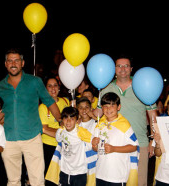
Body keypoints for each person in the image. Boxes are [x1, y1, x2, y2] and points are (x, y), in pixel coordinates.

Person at [0, 48, 62, 186]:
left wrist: (61, 120)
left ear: (22, 63)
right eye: (10, 60)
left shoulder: (35, 81)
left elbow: (49, 101)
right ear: (5, 64)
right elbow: (0, 111)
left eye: (16, 60)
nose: (13, 63)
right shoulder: (0, 86)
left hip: (32, 139)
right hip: (8, 139)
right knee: (13, 181)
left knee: (37, 181)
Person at [94, 54, 158, 186]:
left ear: (131, 69)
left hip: (139, 143)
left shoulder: (142, 84)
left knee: (139, 182)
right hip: (113, 145)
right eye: (119, 66)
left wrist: (153, 140)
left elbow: (153, 115)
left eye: (126, 66)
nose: (122, 69)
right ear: (114, 69)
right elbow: (98, 114)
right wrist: (82, 111)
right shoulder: (106, 88)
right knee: (115, 182)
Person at [92, 92, 139, 185]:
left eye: (112, 105)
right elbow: (96, 149)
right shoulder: (99, 124)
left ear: (119, 107)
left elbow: (134, 146)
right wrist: (94, 144)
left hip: (117, 176)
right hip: (100, 173)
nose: (108, 109)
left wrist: (114, 149)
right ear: (101, 107)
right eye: (105, 106)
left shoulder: (124, 125)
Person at [38, 75, 70, 185]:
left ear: (59, 87)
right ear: (45, 89)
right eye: (50, 86)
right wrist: (63, 131)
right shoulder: (43, 107)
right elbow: (44, 128)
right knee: (49, 178)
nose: (53, 88)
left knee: (62, 176)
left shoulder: (66, 101)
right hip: (48, 146)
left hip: (64, 146)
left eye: (55, 85)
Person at [55, 106, 92, 186]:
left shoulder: (81, 132)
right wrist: (60, 129)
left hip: (79, 172)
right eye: (65, 118)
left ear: (77, 120)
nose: (68, 122)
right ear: (62, 119)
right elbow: (58, 139)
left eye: (72, 119)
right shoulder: (61, 131)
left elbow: (93, 143)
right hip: (64, 170)